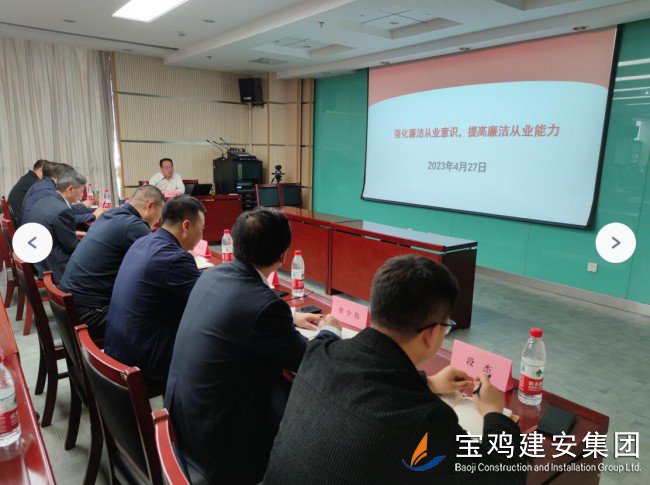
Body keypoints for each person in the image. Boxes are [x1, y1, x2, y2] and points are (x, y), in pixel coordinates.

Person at [265, 255, 526, 485]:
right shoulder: (426, 419)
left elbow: (367, 390)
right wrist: (494, 413)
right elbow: (502, 475)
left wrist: (428, 383)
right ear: (432, 333)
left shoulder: (320, 353)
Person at [165, 207, 342, 484]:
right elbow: (310, 363)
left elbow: (241, 314)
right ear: (282, 256)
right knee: (316, 408)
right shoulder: (264, 305)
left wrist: (290, 316)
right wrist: (330, 330)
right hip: (219, 443)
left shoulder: (213, 275)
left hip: (182, 420)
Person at [104, 195, 205, 392]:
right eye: (202, 229)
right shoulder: (173, 258)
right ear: (186, 226)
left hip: (117, 350)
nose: (202, 235)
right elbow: (207, 300)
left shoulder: (143, 241)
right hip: (142, 363)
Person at [59, 185, 165, 339]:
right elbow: (160, 263)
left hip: (70, 304)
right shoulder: (134, 225)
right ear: (150, 206)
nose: (158, 221)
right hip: (91, 313)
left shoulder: (110, 214)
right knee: (162, 316)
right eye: (159, 214)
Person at [28, 170, 87, 283]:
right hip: (54, 267)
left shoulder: (44, 200)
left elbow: (52, 229)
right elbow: (72, 247)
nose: (81, 196)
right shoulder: (62, 211)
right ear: (70, 189)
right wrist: (93, 241)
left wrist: (73, 234)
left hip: (39, 260)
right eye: (81, 191)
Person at [22, 162, 99, 227]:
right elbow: (66, 218)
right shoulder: (47, 192)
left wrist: (93, 210)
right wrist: (93, 215)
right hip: (39, 234)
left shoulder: (46, 184)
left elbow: (67, 211)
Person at [7, 159, 48, 225]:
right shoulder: (34, 181)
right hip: (20, 221)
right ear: (41, 169)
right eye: (47, 172)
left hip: (16, 217)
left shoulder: (28, 177)